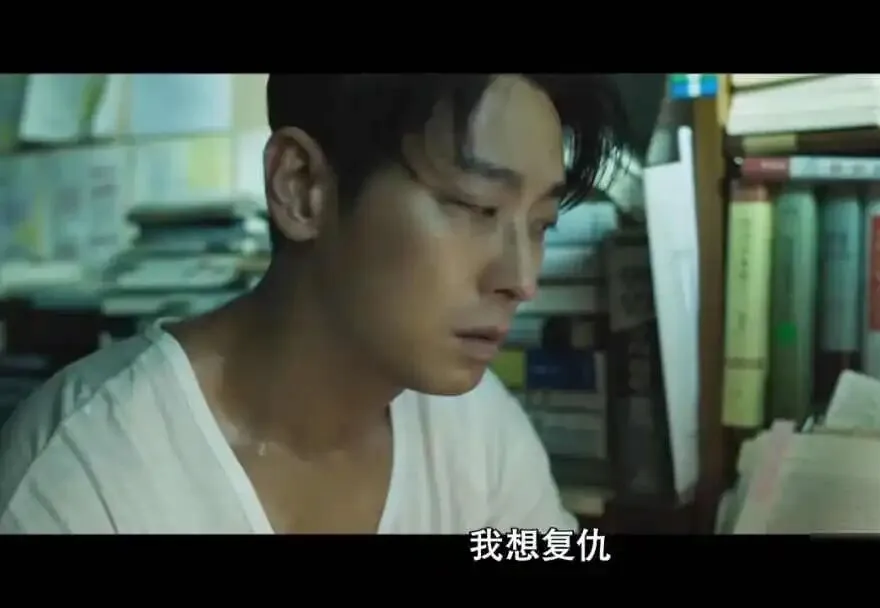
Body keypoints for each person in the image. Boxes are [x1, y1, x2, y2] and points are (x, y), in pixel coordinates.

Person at [0, 74, 629, 534]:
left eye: (541, 223)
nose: (522, 279)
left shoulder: (477, 432)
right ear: (300, 187)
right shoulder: (87, 470)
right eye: (476, 207)